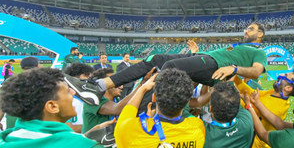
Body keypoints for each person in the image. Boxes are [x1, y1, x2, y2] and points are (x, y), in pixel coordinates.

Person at [65, 22, 267, 106]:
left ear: (260, 34)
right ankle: (99, 85)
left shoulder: (258, 52)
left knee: (167, 69)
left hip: (213, 66)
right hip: (208, 62)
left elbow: (257, 71)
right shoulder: (239, 47)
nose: (245, 31)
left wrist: (234, 69)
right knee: (156, 60)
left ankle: (135, 113)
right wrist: (196, 54)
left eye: (250, 29)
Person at [0, 68, 123, 148]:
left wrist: (86, 136)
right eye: (67, 91)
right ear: (52, 107)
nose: (74, 92)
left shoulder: (5, 141)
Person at [114, 68, 206, 148]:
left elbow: (128, 111)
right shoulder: (197, 127)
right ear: (186, 102)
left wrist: (142, 88)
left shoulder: (131, 130)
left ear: (153, 98)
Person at [198, 81, 253, 148]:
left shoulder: (203, 133)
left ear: (210, 109)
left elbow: (181, 106)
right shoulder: (246, 121)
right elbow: (233, 101)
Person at [82, 68, 124, 133]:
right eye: (115, 82)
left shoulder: (117, 99)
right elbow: (116, 109)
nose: (121, 86)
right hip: (93, 142)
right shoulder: (92, 100)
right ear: (104, 84)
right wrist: (141, 87)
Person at [64, 63, 95, 133]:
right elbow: (67, 129)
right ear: (74, 80)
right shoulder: (64, 101)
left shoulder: (92, 98)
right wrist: (96, 126)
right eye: (86, 79)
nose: (89, 83)